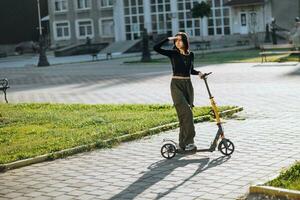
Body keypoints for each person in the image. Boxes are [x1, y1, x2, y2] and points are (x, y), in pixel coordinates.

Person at [153, 32, 203, 151]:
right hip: (176, 85)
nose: (178, 42)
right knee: (187, 113)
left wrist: (199, 73)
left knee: (184, 116)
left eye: (180, 40)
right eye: (176, 40)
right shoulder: (173, 53)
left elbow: (191, 70)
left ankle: (182, 144)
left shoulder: (191, 55)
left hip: (188, 85)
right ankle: (190, 142)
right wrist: (168, 39)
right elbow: (156, 48)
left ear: (185, 41)